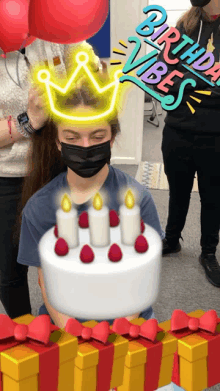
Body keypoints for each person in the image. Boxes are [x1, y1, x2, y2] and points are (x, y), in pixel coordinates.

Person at [16, 47, 165, 328]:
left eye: (97, 136)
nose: (85, 147)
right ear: (58, 143)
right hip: (64, 322)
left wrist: (114, 331)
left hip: (127, 320)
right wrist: (73, 332)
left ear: (111, 139)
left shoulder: (139, 199)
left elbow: (143, 274)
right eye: (72, 137)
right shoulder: (39, 208)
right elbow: (45, 281)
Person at [0, 39, 93, 319]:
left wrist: (87, 78)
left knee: (68, 254)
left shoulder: (50, 32)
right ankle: (26, 339)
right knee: (11, 266)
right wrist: (29, 120)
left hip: (59, 167)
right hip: (9, 178)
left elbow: (88, 62)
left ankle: (72, 324)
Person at [158, 0, 220, 287]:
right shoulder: (184, 26)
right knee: (178, 191)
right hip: (177, 130)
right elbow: (160, 74)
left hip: (215, 134)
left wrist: (187, 82)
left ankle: (208, 252)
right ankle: (172, 240)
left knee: (212, 197)